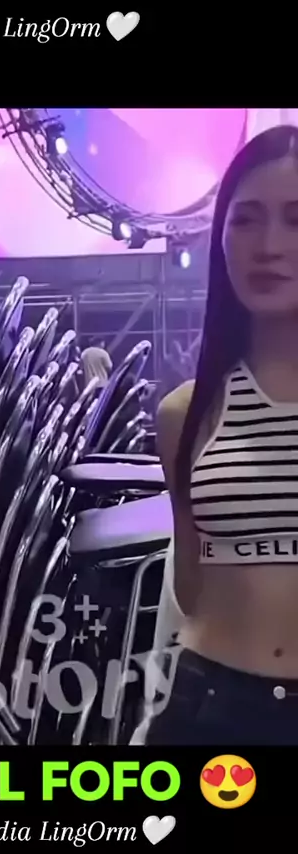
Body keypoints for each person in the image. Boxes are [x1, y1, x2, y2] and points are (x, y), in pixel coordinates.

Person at [146, 125, 298, 746]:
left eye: (296, 220)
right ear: (222, 238)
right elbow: (191, 585)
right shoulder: (186, 414)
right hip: (212, 708)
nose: (270, 245)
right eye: (247, 220)